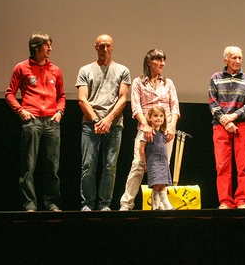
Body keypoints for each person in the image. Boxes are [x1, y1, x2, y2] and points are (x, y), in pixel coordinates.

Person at [5, 32, 66, 212]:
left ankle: (51, 203)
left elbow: (61, 95)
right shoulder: (22, 68)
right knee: (28, 166)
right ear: (36, 47)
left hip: (52, 122)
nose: (50, 48)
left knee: (52, 166)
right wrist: (20, 110)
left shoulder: (55, 70)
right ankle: (30, 204)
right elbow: (10, 93)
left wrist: (60, 112)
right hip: (31, 121)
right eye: (47, 45)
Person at [119, 49, 180, 211]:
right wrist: (145, 124)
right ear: (149, 62)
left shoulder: (168, 83)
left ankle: (158, 205)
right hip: (146, 130)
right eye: (158, 60)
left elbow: (175, 107)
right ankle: (126, 204)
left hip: (165, 132)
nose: (162, 63)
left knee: (162, 168)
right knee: (138, 166)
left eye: (163, 60)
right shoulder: (139, 83)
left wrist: (172, 125)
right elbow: (136, 106)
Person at [76, 34, 131, 211]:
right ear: (95, 47)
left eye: (108, 46)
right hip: (90, 124)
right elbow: (82, 99)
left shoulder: (122, 70)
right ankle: (88, 204)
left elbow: (123, 98)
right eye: (101, 46)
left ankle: (104, 204)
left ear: (113, 47)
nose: (105, 49)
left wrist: (108, 120)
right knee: (88, 166)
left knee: (110, 167)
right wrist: (97, 120)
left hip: (114, 125)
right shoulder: (85, 70)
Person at [208, 46, 245, 209]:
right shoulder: (215, 78)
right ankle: (225, 201)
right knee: (222, 166)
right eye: (234, 58)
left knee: (243, 165)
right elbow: (212, 102)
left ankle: (242, 200)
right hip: (221, 127)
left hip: (242, 125)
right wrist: (225, 120)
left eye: (240, 58)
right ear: (226, 60)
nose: (237, 61)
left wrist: (234, 117)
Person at [139, 106, 174, 210]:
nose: (159, 118)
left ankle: (155, 207)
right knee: (157, 184)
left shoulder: (164, 133)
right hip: (153, 162)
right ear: (149, 118)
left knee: (161, 184)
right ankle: (166, 206)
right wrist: (145, 163)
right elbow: (141, 150)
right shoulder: (146, 133)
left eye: (161, 116)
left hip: (163, 162)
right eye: (155, 116)